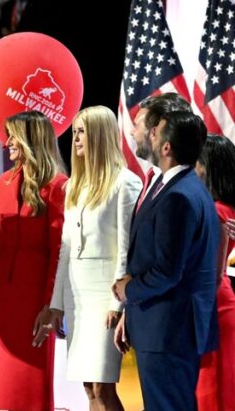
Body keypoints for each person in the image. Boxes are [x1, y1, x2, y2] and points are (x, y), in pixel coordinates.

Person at [0, 110, 67, 410]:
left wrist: (50, 305)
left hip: (35, 303)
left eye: (13, 136)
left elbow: (58, 251)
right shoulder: (4, 181)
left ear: (32, 139)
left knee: (33, 383)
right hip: (4, 301)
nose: (8, 143)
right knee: (5, 386)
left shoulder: (57, 186)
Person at [112, 111, 218, 409]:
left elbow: (167, 272)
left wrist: (128, 290)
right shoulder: (184, 187)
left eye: (155, 132)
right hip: (166, 329)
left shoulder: (178, 196)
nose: (149, 135)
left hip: (167, 332)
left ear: (167, 147)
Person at [41, 106, 141, 411]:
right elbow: (66, 249)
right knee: (88, 387)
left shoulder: (125, 182)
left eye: (82, 131)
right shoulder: (74, 186)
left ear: (99, 134)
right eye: (74, 132)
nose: (75, 138)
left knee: (102, 386)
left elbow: (125, 249)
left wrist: (117, 304)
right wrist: (57, 303)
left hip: (105, 296)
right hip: (78, 298)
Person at [194, 134, 235, 410]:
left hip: (214, 307)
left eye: (196, 162)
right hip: (217, 303)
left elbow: (211, 271)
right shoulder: (222, 208)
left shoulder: (217, 212)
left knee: (213, 391)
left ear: (208, 167)